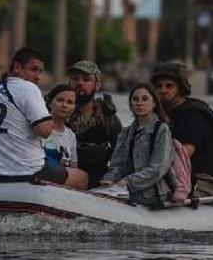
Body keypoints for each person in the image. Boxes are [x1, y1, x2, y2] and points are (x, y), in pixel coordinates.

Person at [0, 47, 88, 190]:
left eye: (40, 71)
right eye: (34, 69)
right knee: (82, 177)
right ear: (17, 68)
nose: (37, 76)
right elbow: (44, 131)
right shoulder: (28, 88)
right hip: (29, 172)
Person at [152, 61, 213, 197]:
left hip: (207, 181)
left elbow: (184, 155)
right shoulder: (159, 115)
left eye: (169, 86)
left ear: (180, 87)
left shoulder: (194, 115)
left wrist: (148, 173)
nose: (163, 90)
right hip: (177, 178)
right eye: (159, 86)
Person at [101, 83, 174, 206]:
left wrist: (128, 181)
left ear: (154, 103)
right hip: (127, 191)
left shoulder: (161, 129)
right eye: (135, 99)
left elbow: (158, 168)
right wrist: (110, 178)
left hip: (153, 193)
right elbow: (118, 164)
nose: (140, 103)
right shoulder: (126, 132)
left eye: (145, 99)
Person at [66, 60, 123, 188]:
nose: (79, 83)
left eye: (86, 80)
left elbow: (120, 155)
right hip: (62, 178)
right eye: (75, 79)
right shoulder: (57, 112)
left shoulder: (108, 119)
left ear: (97, 85)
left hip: (96, 181)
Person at [42, 83, 89, 188]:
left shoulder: (70, 135)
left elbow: (74, 168)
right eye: (60, 100)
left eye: (70, 102)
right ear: (50, 102)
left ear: (74, 108)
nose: (64, 105)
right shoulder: (38, 127)